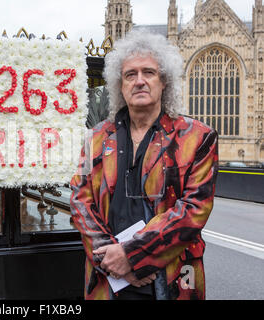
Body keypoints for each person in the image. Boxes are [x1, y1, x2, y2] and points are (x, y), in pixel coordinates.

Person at [70, 30, 218, 300]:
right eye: (130, 74)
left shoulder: (198, 137)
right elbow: (80, 201)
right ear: (120, 85)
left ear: (164, 81)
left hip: (171, 279)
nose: (139, 81)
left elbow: (194, 211)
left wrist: (132, 257)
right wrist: (112, 261)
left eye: (148, 73)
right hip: (108, 279)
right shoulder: (94, 137)